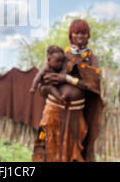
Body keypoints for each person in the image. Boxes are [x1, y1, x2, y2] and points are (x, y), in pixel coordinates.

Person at [36, 19, 104, 162]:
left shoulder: (92, 59)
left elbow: (92, 86)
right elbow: (42, 85)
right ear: (70, 35)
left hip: (76, 113)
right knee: (49, 148)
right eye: (77, 32)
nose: (80, 36)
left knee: (76, 151)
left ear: (89, 36)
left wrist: (66, 78)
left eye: (84, 33)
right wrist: (47, 85)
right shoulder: (60, 55)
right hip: (53, 111)